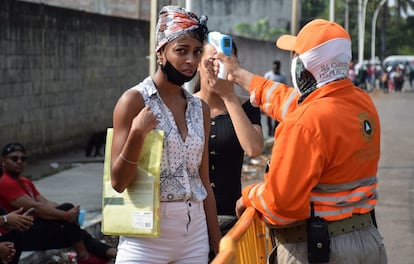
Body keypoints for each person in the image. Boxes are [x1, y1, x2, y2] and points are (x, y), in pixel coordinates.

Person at [208, 18, 387, 263]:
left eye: (295, 55)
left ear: (305, 66)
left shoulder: (304, 123)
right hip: (367, 242)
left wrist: (250, 195)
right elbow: (285, 99)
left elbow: (281, 205)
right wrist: (236, 73)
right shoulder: (360, 102)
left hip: (320, 248)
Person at [110, 5, 221, 263]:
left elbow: (203, 180)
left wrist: (218, 245)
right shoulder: (134, 101)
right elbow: (117, 182)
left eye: (196, 52)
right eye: (181, 51)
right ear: (161, 53)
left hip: (194, 235)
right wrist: (137, 133)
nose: (190, 61)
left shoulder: (199, 108)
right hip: (144, 237)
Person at [0, 142, 117, 264]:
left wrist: (69, 212)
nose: (19, 161)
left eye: (23, 158)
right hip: (20, 232)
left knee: (73, 231)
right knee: (69, 220)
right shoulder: (5, 182)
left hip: (33, 228)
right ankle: (87, 256)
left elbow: (45, 202)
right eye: (14, 158)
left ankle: (109, 253)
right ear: (3, 160)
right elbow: (37, 208)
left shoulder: (25, 181)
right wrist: (66, 215)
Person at [193, 40, 264, 236]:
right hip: (190, 218)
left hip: (230, 218)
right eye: (212, 62)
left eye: (224, 63)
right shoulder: (185, 105)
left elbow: (254, 148)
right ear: (198, 65)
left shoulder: (247, 106)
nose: (217, 69)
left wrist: (229, 97)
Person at [263, 60, 287, 137]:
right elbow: (264, 87)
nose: (275, 69)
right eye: (274, 67)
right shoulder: (268, 75)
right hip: (269, 99)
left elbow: (285, 87)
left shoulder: (283, 76)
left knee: (277, 116)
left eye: (277, 68)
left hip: (278, 100)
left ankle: (274, 132)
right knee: (268, 116)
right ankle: (269, 131)